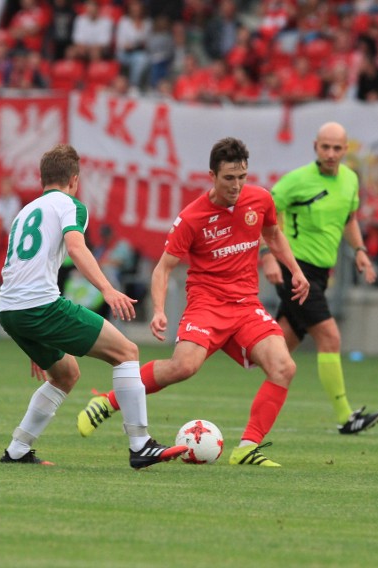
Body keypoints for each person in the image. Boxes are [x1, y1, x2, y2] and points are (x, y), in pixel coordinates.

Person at [77, 137, 310, 467]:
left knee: (284, 367)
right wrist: (158, 310)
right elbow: (163, 268)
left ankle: (247, 447)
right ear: (212, 176)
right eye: (229, 178)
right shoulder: (192, 218)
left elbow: (273, 235)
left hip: (246, 305)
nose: (237, 185)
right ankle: (108, 401)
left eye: (242, 177)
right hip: (207, 305)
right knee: (183, 367)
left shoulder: (260, 200)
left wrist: (295, 271)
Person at [0, 143, 186, 468]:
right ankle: (141, 444)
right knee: (126, 352)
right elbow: (76, 247)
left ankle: (17, 449)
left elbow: (18, 267)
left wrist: (32, 340)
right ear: (74, 180)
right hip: (40, 306)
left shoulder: (24, 211)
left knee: (65, 374)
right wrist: (108, 289)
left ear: (43, 178)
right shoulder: (71, 205)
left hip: (9, 310)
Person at [260, 122, 378, 435]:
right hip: (295, 270)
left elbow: (349, 219)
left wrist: (359, 250)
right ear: (315, 146)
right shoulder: (296, 181)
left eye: (337, 148)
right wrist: (267, 256)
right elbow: (262, 214)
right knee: (329, 337)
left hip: (319, 274)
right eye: (325, 147)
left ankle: (232, 352)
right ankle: (346, 417)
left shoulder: (350, 180)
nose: (330, 153)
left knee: (278, 355)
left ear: (345, 150)